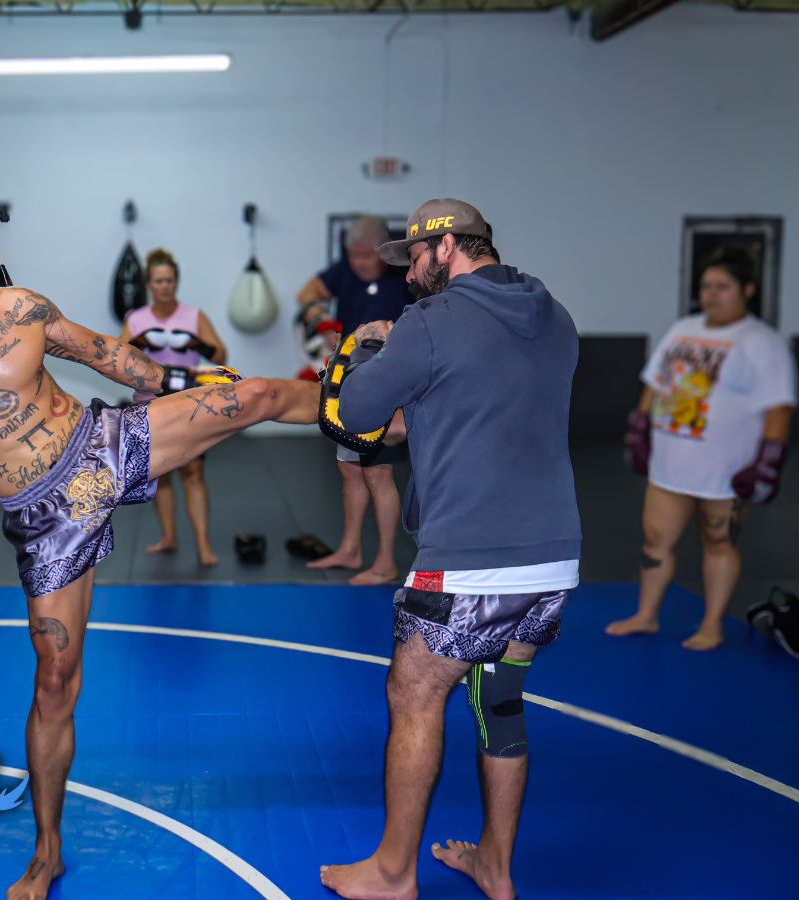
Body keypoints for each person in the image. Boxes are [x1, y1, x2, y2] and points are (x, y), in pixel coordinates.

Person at [0, 205, 318, 900]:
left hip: (100, 444)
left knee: (254, 394)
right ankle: (46, 852)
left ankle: (389, 413)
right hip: (44, 517)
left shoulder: (21, 308)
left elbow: (106, 354)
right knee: (54, 684)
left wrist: (187, 384)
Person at [317, 199, 581, 900]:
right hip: (555, 557)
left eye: (416, 259)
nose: (408, 274)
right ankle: (495, 865)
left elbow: (357, 415)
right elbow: (479, 398)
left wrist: (371, 347)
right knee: (499, 700)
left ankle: (393, 872)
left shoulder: (428, 322)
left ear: (449, 248)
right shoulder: (553, 313)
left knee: (413, 691)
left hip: (469, 559)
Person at [607, 246, 795, 651]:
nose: (712, 293)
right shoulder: (683, 329)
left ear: (747, 289)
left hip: (726, 471)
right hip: (670, 465)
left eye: (722, 286)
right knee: (654, 540)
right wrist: (639, 427)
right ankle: (646, 615)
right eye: (706, 285)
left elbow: (779, 407)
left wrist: (768, 459)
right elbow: (655, 383)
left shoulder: (761, 342)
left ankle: (712, 624)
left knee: (719, 543)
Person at [297, 215, 410, 585]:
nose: (361, 264)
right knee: (350, 471)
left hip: (389, 381)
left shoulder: (404, 273)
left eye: (368, 257)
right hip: (347, 381)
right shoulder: (344, 270)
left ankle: (385, 562)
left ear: (383, 250)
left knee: (378, 473)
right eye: (355, 256)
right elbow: (307, 293)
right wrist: (322, 323)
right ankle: (350, 550)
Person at [120, 248, 227, 566]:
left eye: (169, 280)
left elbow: (221, 357)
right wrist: (139, 343)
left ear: (176, 282)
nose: (165, 286)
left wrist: (198, 344)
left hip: (187, 402)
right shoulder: (137, 319)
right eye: (158, 281)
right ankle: (168, 536)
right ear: (149, 285)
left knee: (193, 472)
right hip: (151, 403)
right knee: (161, 474)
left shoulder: (194, 316)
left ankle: (204, 546)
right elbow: (118, 359)